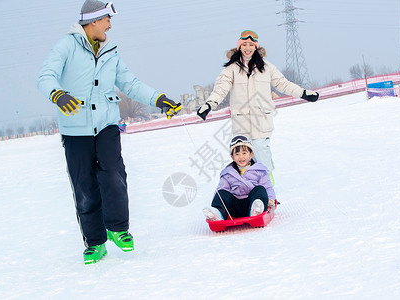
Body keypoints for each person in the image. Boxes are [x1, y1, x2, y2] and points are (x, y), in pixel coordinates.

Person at [37, 0, 180, 264]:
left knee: (114, 173)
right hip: (75, 129)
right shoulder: (66, 46)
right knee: (84, 185)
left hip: (106, 124)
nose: (110, 25)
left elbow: (130, 83)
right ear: (93, 21)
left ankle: (118, 228)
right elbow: (45, 75)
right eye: (106, 20)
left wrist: (159, 99)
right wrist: (58, 95)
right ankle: (94, 243)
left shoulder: (110, 50)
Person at [197, 30, 319, 186]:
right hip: (241, 121)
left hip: (261, 118)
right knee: (243, 155)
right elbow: (220, 89)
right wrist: (209, 105)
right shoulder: (232, 69)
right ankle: (246, 189)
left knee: (261, 150)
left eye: (251, 45)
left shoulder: (266, 67)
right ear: (239, 47)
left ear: (256, 47)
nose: (248, 48)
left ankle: (268, 186)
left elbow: (283, 84)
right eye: (244, 45)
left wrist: (303, 93)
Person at [203, 136, 276, 221]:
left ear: (251, 155)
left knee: (260, 189)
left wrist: (270, 199)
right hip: (235, 207)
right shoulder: (228, 173)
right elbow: (221, 189)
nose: (241, 157)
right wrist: (217, 203)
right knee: (221, 193)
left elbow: (267, 187)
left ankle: (256, 211)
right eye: (237, 154)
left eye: (244, 153)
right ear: (232, 157)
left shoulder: (260, 170)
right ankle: (217, 213)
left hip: (252, 203)